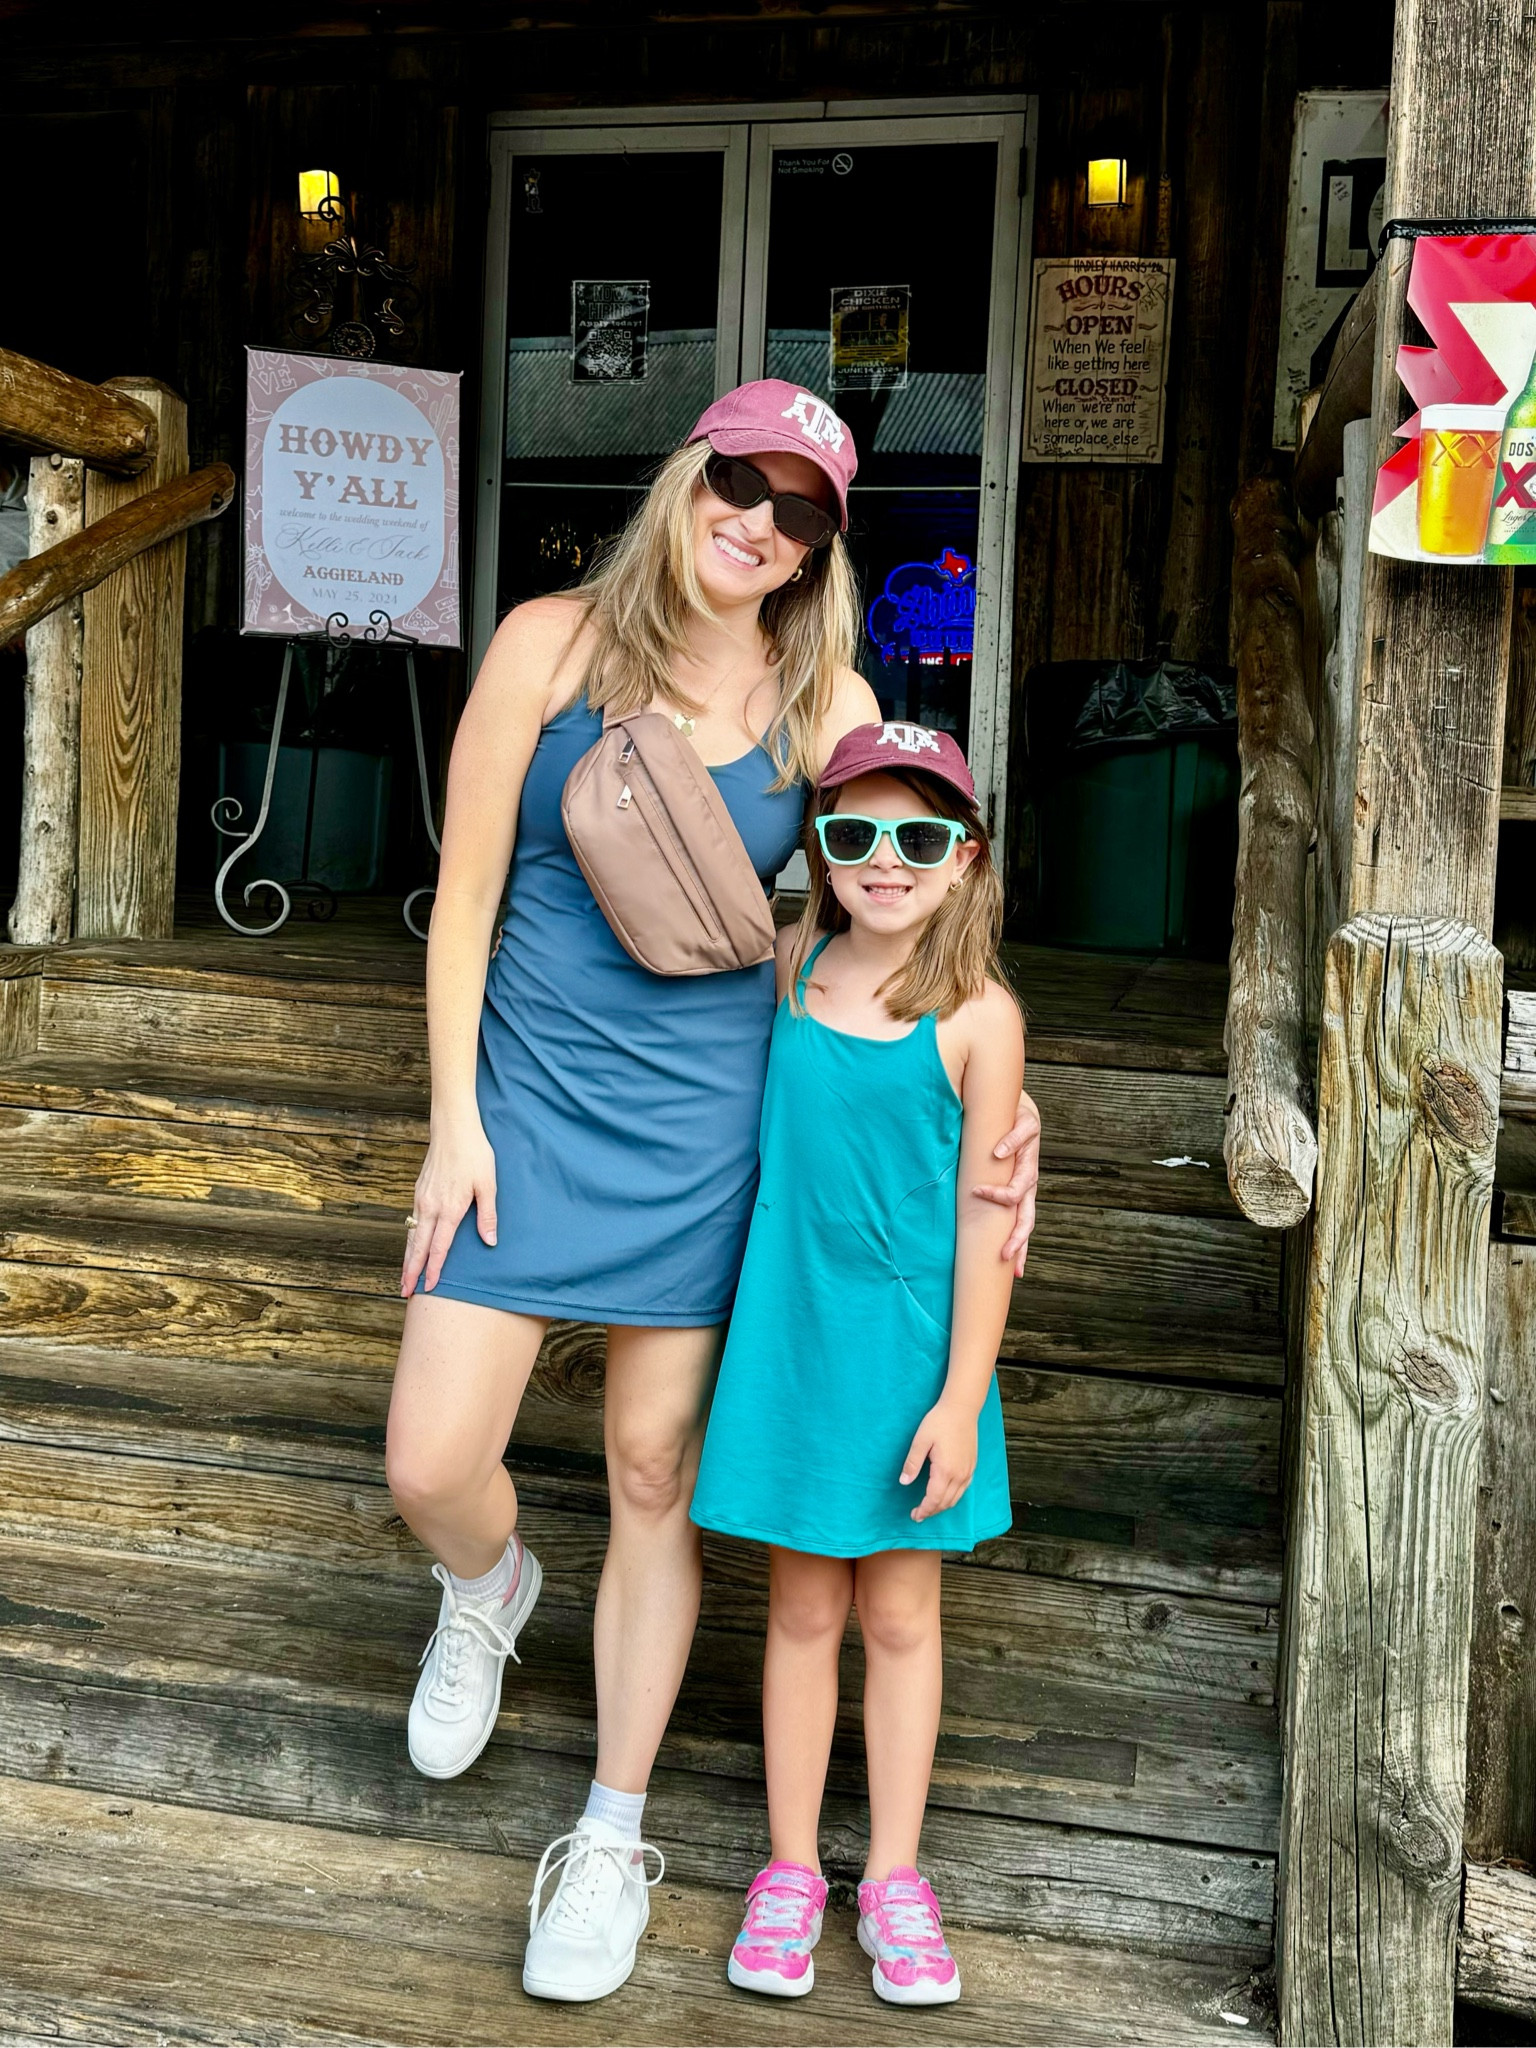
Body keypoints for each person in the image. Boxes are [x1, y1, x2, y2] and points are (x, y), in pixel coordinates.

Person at [383, 379, 1041, 2004]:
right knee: (431, 1458)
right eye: (738, 482)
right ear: (686, 477)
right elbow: (462, 895)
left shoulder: (823, 691)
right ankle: (488, 1584)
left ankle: (609, 1832)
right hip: (525, 1110)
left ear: (823, 543)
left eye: (800, 507)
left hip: (707, 1125)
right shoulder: (546, 642)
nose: (758, 521)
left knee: (649, 1465)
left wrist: (996, 1123)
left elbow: (907, 891)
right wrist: (451, 1118)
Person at [690, 724, 1023, 2009]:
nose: (888, 859)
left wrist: (959, 1395)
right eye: (856, 833)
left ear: (965, 862)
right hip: (792, 1340)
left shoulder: (982, 1018)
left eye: (921, 837)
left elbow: (990, 1216)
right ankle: (790, 1868)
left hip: (911, 1359)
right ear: (821, 855)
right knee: (801, 1612)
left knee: (899, 1618)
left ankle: (892, 1871)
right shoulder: (785, 970)